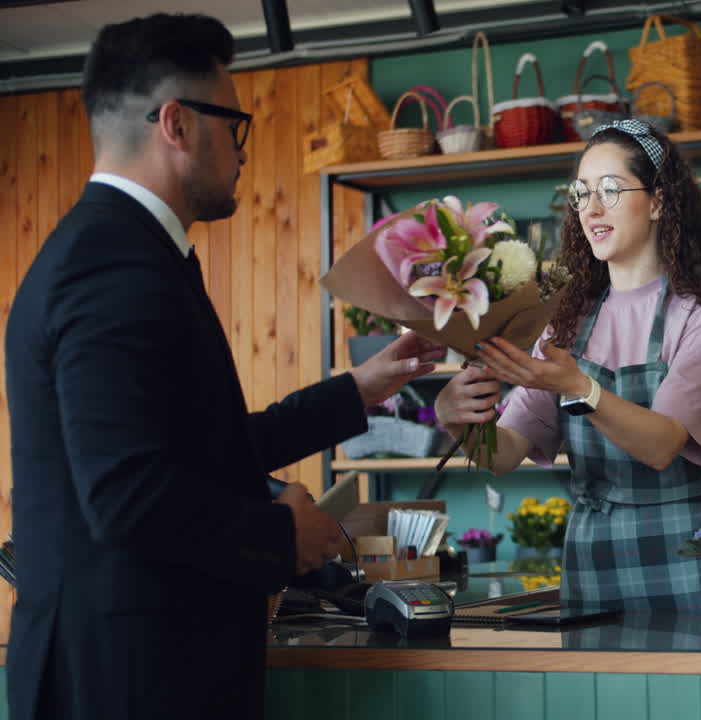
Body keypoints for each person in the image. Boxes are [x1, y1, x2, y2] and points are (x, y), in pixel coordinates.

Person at [4, 14, 443, 720]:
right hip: (124, 679)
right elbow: (125, 494)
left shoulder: (128, 251)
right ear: (176, 125)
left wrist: (357, 392)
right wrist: (281, 535)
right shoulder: (112, 267)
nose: (242, 151)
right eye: (235, 125)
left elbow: (192, 450)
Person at [434, 120, 701, 612]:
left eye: (610, 189)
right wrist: (455, 415)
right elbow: (502, 455)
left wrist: (581, 387)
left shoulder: (698, 316)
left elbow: (664, 443)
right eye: (581, 194)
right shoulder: (565, 322)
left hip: (688, 561)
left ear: (659, 201)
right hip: (593, 563)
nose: (593, 209)